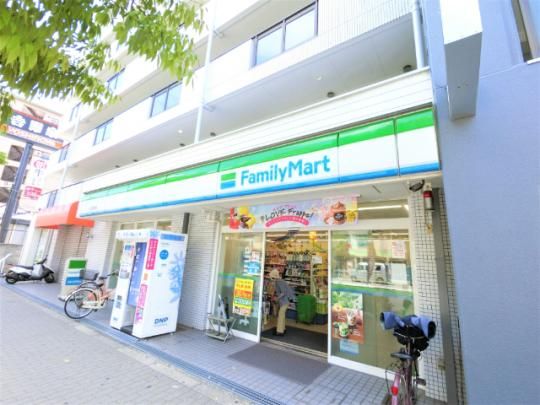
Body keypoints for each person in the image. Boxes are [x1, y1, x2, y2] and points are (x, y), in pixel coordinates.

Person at [269, 269, 296, 336]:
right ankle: (283, 329)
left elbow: (283, 292)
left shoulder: (279, 281)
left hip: (285, 301)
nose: (271, 279)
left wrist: (277, 298)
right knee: (282, 315)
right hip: (285, 300)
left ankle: (279, 331)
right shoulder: (279, 281)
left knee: (281, 316)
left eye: (272, 277)